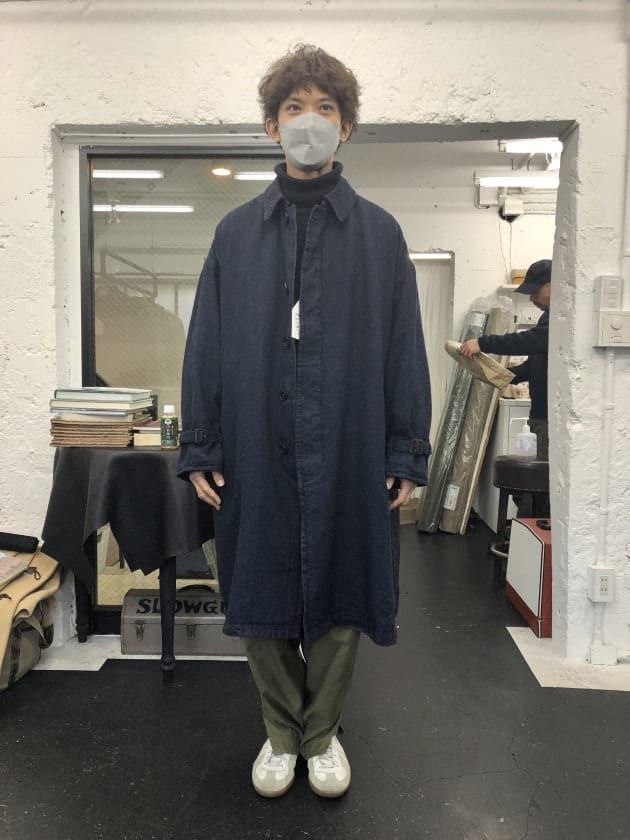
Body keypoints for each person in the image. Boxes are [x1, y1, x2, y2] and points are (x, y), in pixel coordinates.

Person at [177, 44, 431, 799]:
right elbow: (205, 344)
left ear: (346, 127)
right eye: (295, 108)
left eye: (325, 108)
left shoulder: (380, 236)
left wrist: (405, 450)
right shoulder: (235, 235)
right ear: (271, 126)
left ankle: (321, 735)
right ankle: (280, 731)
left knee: (345, 586)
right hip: (256, 442)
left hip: (349, 441)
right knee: (257, 587)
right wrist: (201, 443)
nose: (309, 121)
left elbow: (404, 348)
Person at [460, 259, 551, 460]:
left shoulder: (562, 319)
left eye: (535, 292)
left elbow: (531, 341)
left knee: (546, 475)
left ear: (554, 283)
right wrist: (501, 375)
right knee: (538, 473)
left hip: (551, 419)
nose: (532, 298)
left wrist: (483, 343)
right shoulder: (548, 316)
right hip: (540, 416)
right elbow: (535, 364)